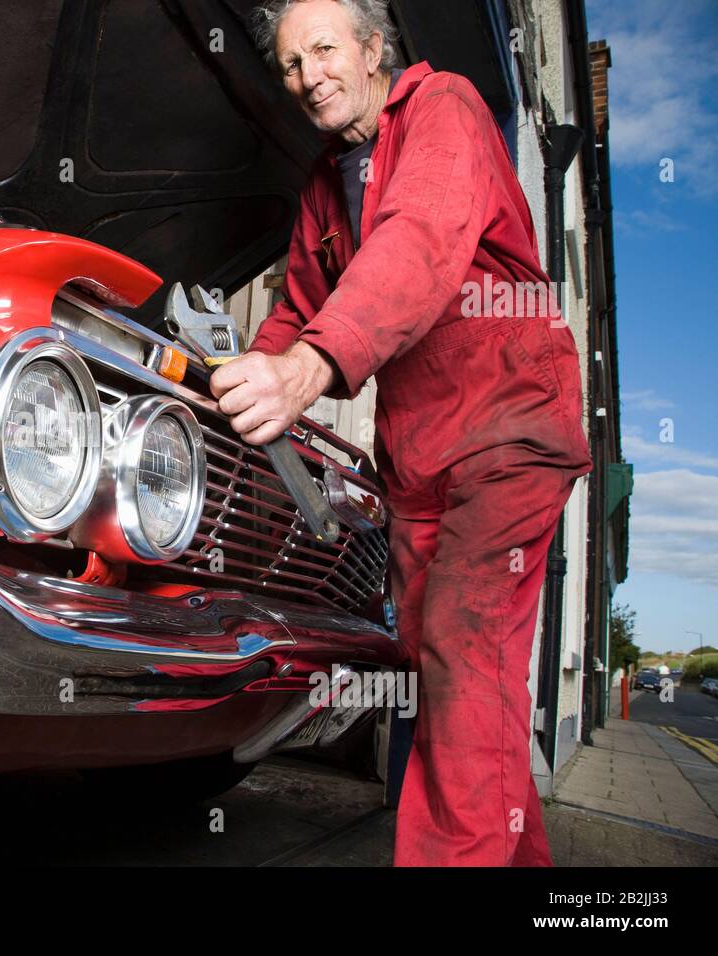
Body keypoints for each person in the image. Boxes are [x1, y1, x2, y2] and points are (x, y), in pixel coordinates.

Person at [210, 0, 593, 865]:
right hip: (419, 455)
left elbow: (420, 238)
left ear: (375, 48)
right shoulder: (323, 184)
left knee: (464, 660)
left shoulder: (444, 107)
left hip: (506, 426)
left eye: (324, 50)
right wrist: (232, 392)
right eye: (290, 65)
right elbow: (296, 310)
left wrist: (309, 370)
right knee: (453, 675)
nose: (309, 77)